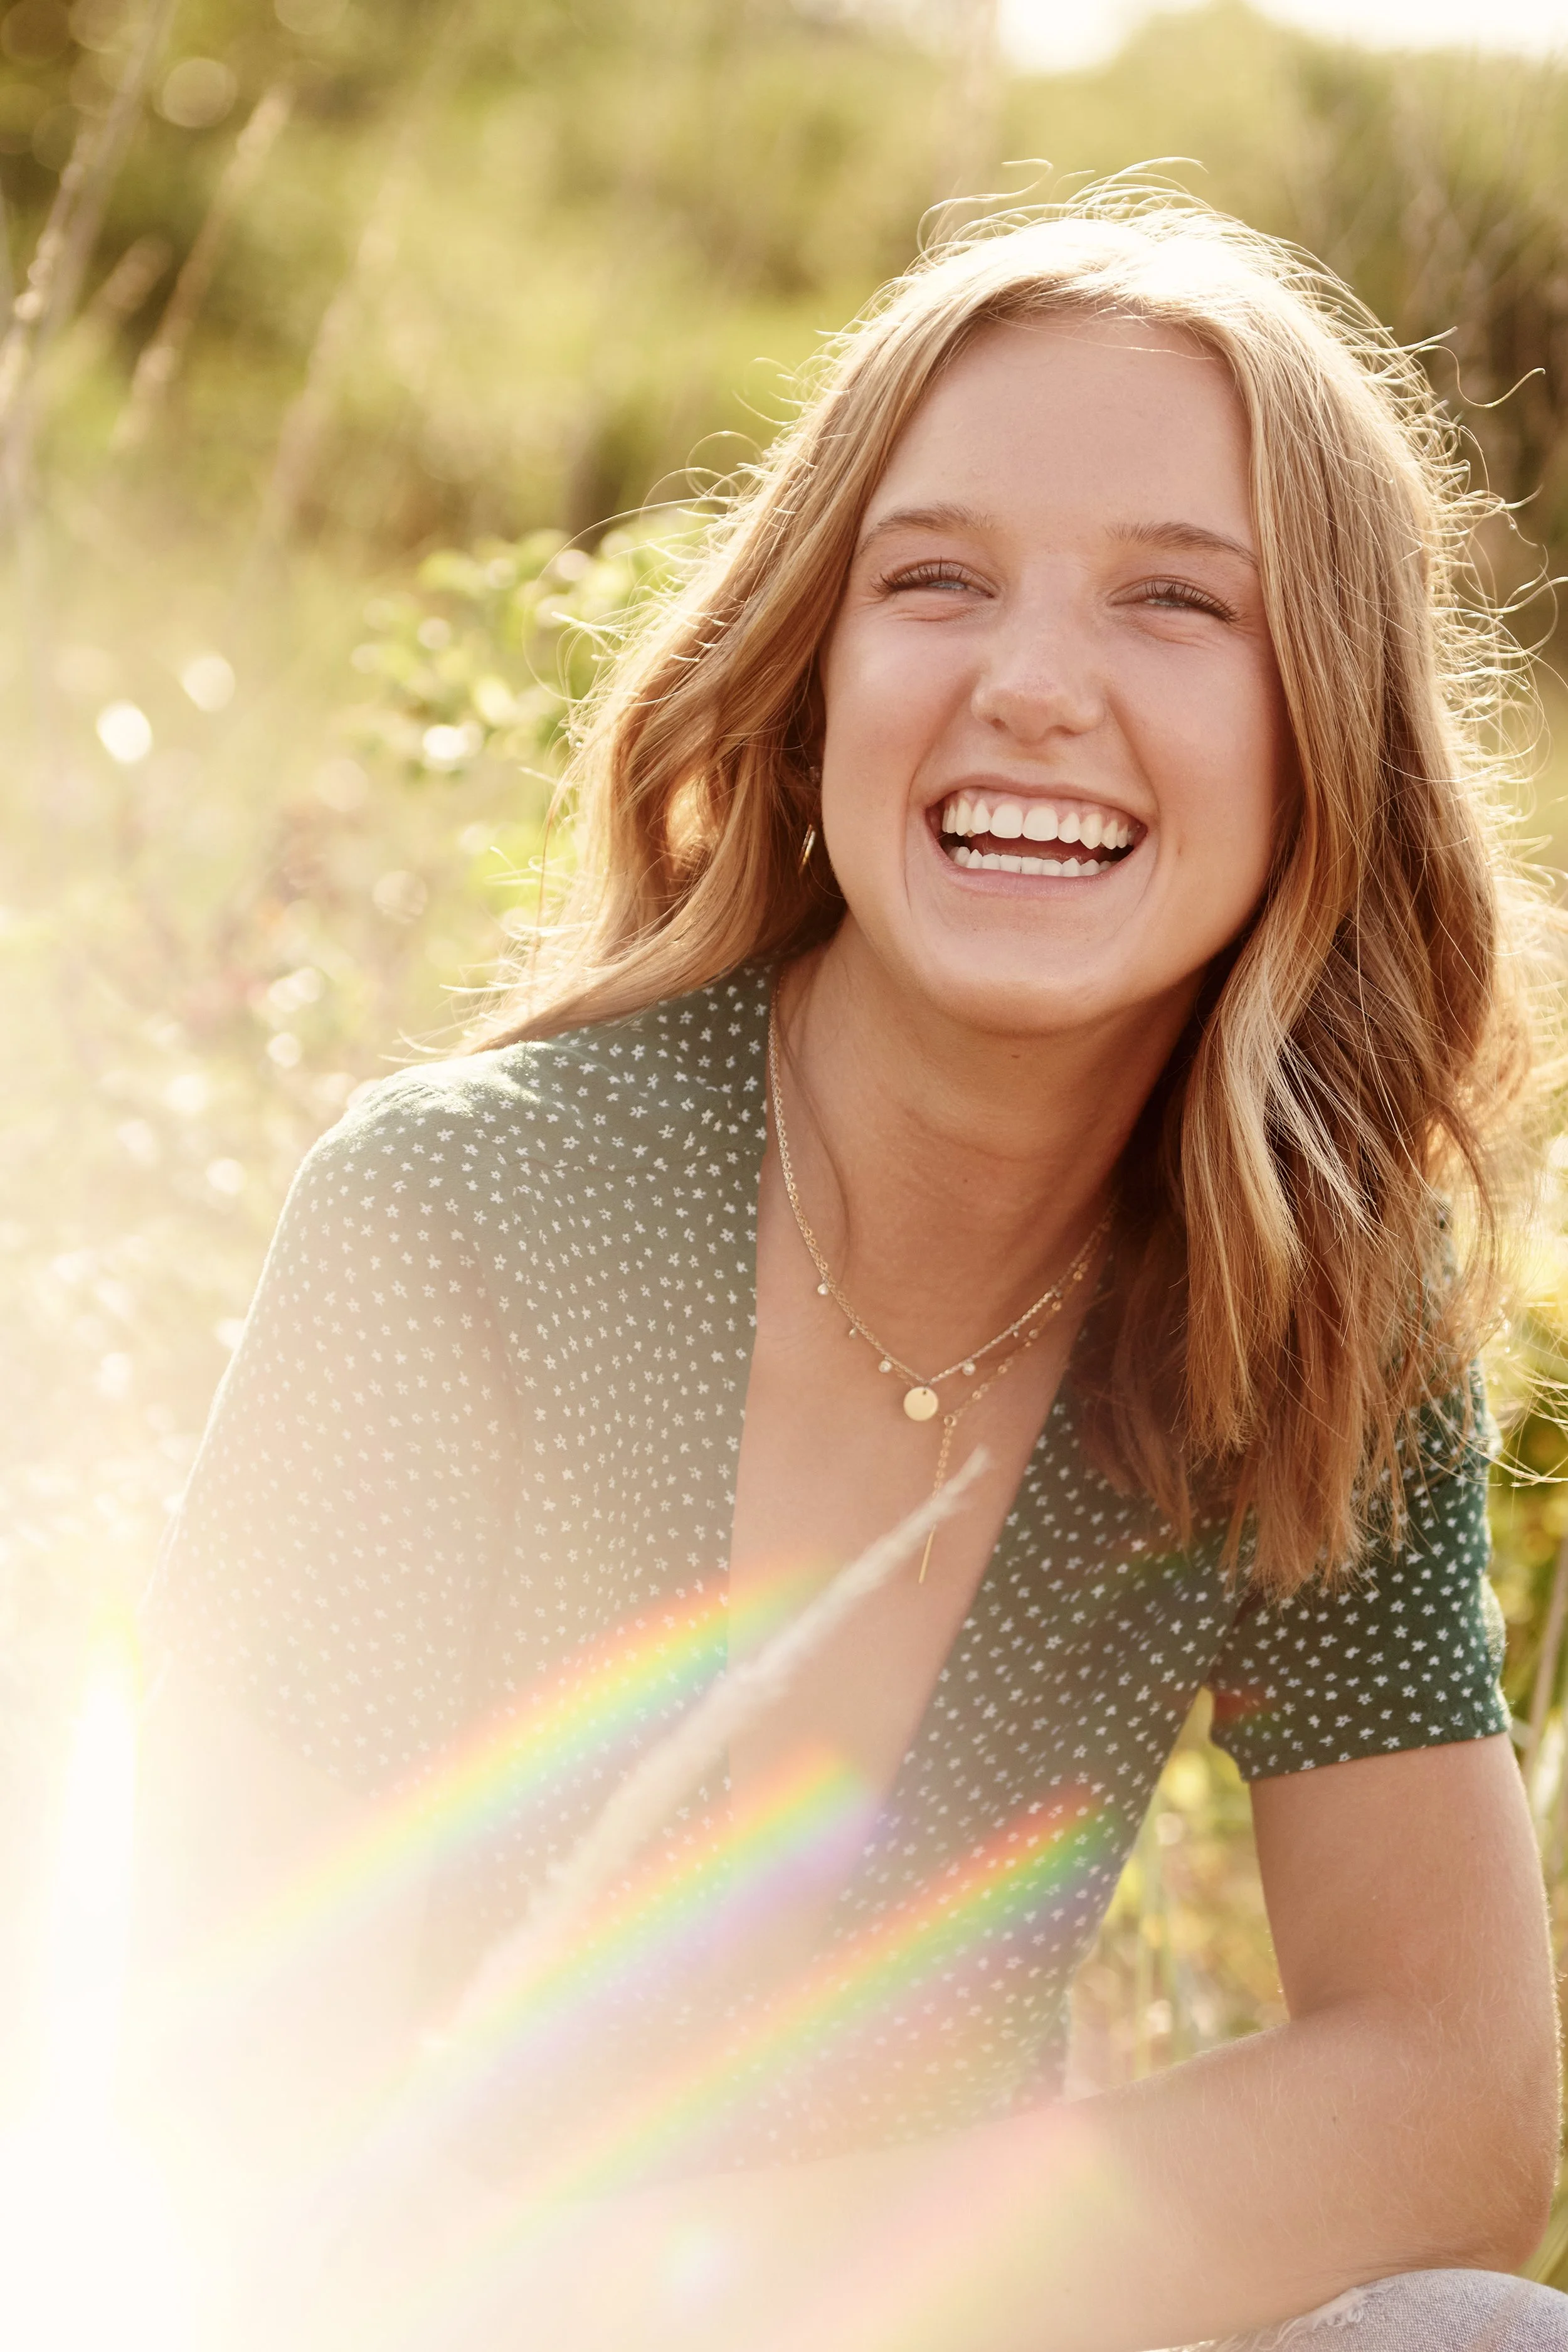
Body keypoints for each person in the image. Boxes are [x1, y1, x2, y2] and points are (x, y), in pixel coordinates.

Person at [135, 197, 1567, 2352]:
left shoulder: (1297, 1298)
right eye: (934, 581)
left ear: (1322, 736)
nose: (1031, 684)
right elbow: (223, 2099)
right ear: (814, 687)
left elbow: (1449, 2104)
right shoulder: (469, 1217)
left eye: (1176, 599)